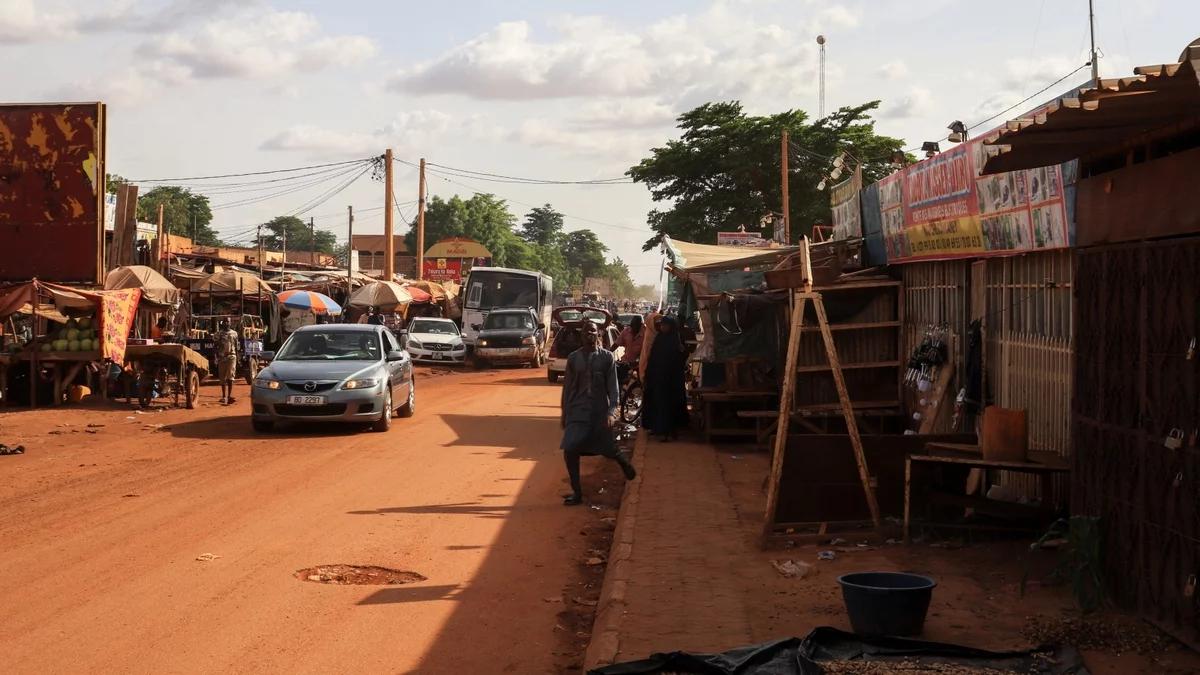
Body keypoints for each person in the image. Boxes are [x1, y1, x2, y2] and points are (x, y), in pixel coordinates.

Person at [560, 321, 636, 506]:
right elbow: (567, 387)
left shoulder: (607, 358)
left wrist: (611, 412)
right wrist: (564, 412)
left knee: (607, 448)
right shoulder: (573, 358)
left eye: (592, 331)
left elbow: (613, 388)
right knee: (570, 450)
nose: (589, 335)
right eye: (586, 332)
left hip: (599, 411)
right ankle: (577, 493)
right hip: (577, 411)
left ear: (598, 334)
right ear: (581, 335)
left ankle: (622, 461)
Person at [642, 316, 689, 442]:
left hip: (671, 380)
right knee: (657, 403)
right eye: (661, 325)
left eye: (665, 325)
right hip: (658, 377)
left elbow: (681, 358)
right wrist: (649, 373)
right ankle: (658, 428)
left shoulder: (676, 339)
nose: (662, 327)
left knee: (669, 405)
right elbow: (653, 357)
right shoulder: (659, 338)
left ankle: (669, 432)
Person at [214, 319, 239, 405]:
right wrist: (215, 357)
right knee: (222, 378)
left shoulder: (234, 333)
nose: (226, 323)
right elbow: (215, 346)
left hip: (232, 356)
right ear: (222, 323)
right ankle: (224, 396)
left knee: (230, 377)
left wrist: (238, 358)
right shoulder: (218, 334)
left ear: (230, 323)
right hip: (222, 357)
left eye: (228, 321)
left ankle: (229, 396)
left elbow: (236, 346)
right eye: (224, 322)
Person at [615, 314, 644, 384]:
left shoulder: (646, 333)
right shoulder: (626, 331)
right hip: (626, 363)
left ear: (641, 326)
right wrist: (608, 353)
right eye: (632, 326)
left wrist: (638, 361)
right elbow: (616, 344)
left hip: (640, 365)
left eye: (636, 327)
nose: (634, 329)